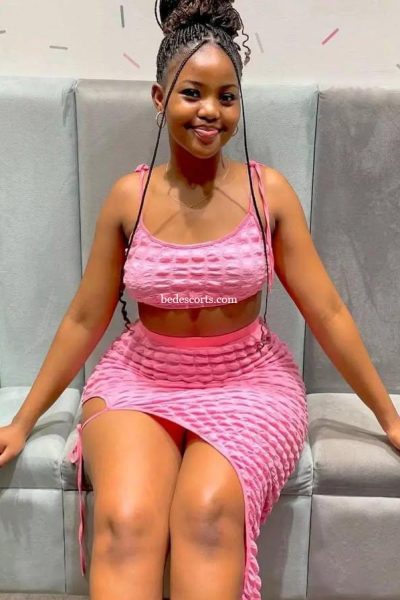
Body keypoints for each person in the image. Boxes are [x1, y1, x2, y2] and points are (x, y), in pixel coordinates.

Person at [4, 0, 399, 598]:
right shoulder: (128, 197)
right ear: (159, 98)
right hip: (142, 378)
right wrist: (22, 422)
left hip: (248, 381)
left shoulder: (269, 194)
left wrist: (389, 418)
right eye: (192, 93)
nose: (210, 110)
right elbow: (85, 318)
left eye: (227, 96)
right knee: (126, 520)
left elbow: (328, 311)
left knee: (207, 513)